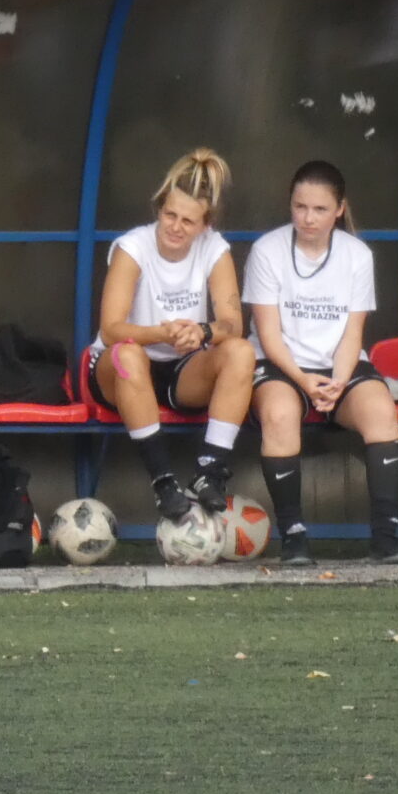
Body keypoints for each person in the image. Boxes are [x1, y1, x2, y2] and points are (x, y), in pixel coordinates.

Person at [246, 160, 398, 565]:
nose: (308, 218)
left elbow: (353, 333)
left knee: (381, 412)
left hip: (339, 366)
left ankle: (386, 539)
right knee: (280, 414)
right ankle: (294, 537)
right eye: (300, 207)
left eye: (319, 209)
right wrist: (303, 379)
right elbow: (268, 335)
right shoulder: (267, 250)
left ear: (339, 209)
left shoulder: (357, 255)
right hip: (281, 364)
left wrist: (338, 382)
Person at [89, 149, 256, 523]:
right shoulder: (133, 247)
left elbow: (232, 323)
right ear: (158, 210)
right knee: (129, 354)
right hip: (119, 367)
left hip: (182, 369)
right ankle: (163, 483)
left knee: (241, 352)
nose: (176, 227)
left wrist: (202, 332)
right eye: (170, 215)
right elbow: (111, 329)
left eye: (188, 221)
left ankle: (209, 470)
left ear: (205, 226)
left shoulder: (214, 248)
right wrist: (160, 333)